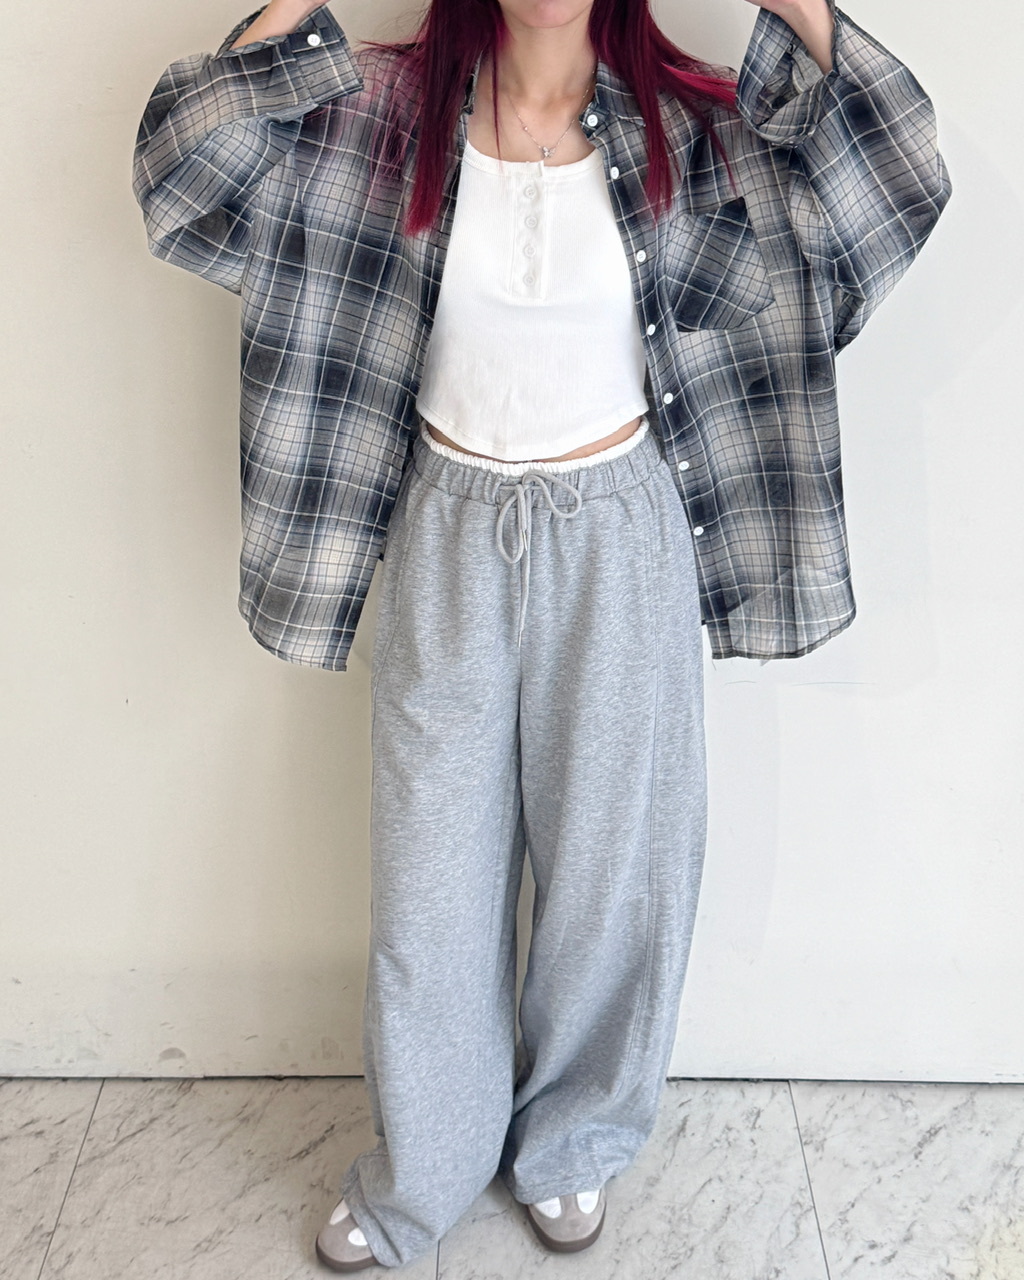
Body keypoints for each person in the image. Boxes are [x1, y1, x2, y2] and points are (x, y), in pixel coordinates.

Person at [132, 0, 950, 1270]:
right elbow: (183, 178)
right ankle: (425, 1167)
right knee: (430, 888)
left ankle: (574, 1140)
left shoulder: (701, 131)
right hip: (448, 531)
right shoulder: (376, 116)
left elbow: (895, 189)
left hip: (620, 534)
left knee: (616, 876)